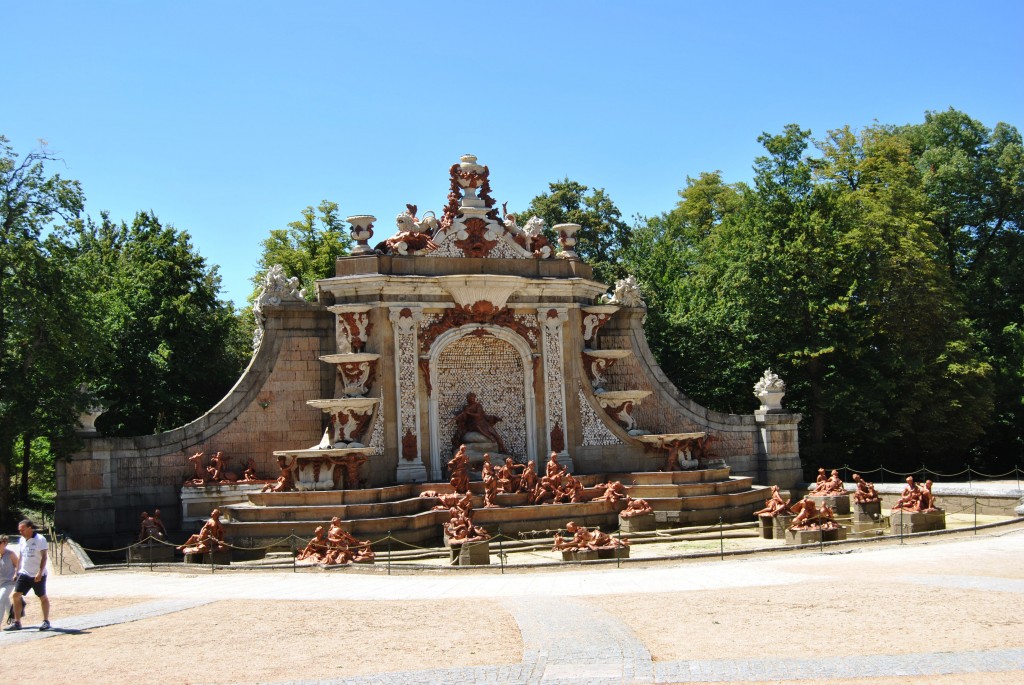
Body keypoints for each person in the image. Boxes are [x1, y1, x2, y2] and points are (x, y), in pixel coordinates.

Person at [6, 520, 49, 631]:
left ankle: (46, 621)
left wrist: (40, 572)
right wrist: (17, 571)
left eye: (23, 530)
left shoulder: (40, 539)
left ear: (30, 528)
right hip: (24, 573)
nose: (21, 532)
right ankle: (17, 622)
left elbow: (44, 557)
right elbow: (21, 556)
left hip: (37, 574)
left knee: (42, 596)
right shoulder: (21, 540)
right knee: (16, 595)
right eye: (19, 530)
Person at [0, 537, 18, 627]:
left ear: (4, 543)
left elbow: (18, 565)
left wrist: (16, 574)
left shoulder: (10, 554)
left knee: (0, 600)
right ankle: (14, 621)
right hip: (0, 583)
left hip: (9, 582)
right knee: (6, 602)